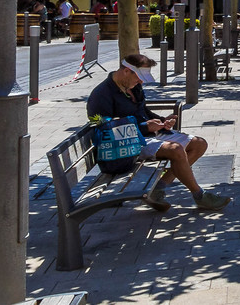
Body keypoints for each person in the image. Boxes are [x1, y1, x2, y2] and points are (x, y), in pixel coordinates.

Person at [85, 53, 229, 212]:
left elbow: (143, 110)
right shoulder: (101, 95)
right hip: (127, 145)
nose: (140, 81)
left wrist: (162, 122)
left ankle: (158, 188)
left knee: (199, 144)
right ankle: (199, 195)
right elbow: (104, 130)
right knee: (176, 150)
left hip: (148, 135)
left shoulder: (134, 86)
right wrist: (145, 127)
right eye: (138, 77)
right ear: (126, 71)